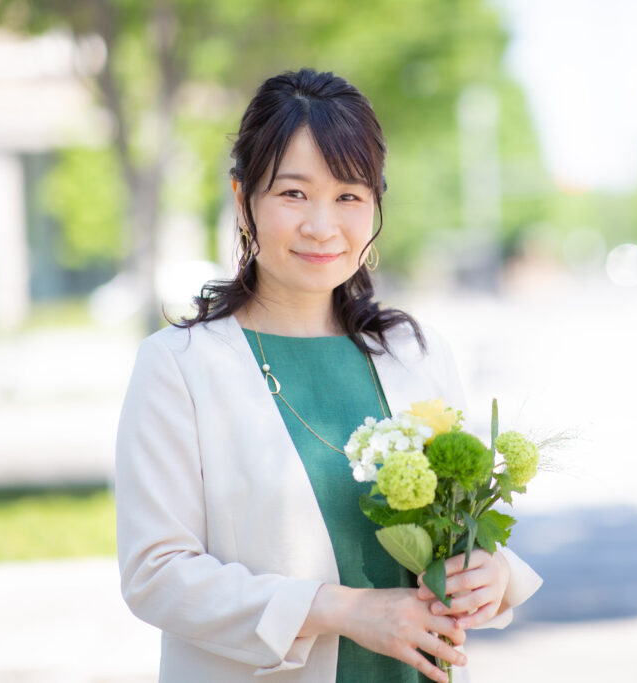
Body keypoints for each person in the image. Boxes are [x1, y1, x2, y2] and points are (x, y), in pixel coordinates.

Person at [115, 68, 542, 683]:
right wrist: (342, 610)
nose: (322, 225)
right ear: (243, 200)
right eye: (293, 194)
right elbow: (155, 573)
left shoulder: (416, 353)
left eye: (349, 196)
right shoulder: (180, 367)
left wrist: (490, 574)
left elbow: (459, 523)